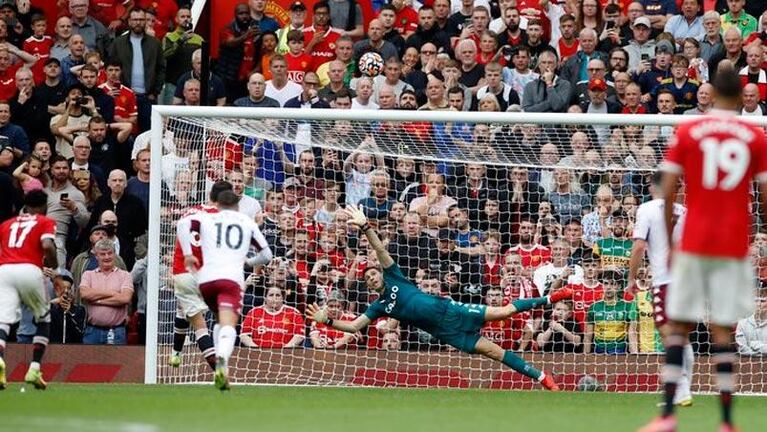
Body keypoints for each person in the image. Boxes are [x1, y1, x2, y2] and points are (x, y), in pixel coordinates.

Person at [307, 205, 572, 391]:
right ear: (369, 286)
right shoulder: (380, 305)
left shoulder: (395, 277)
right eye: (368, 279)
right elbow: (354, 327)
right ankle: (542, 378)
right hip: (445, 333)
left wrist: (366, 227)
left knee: (502, 311)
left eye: (374, 274)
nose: (372, 278)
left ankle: (550, 298)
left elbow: (378, 248)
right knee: (495, 352)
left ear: (381, 274)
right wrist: (327, 321)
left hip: (451, 310)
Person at [639, 69, 767, 432]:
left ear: (711, 95)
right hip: (732, 243)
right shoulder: (755, 137)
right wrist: (761, 229)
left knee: (678, 327)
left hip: (694, 241)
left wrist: (667, 239)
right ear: (741, 96)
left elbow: (667, 189)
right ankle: (726, 422)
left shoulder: (689, 131)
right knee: (723, 331)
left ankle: (666, 417)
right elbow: (765, 196)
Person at [177, 190, 273, 391]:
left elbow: (183, 224)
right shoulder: (246, 222)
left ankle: (218, 363)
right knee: (228, 324)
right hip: (231, 280)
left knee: (218, 319)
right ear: (238, 206)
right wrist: (249, 261)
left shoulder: (206, 218)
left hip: (206, 280)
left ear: (217, 205)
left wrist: (187, 254)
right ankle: (222, 363)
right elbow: (267, 254)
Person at [628, 171, 693, 408]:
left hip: (665, 280)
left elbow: (638, 246)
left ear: (651, 187)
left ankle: (681, 387)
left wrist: (631, 278)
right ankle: (682, 392)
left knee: (668, 334)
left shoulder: (646, 209)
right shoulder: (683, 211)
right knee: (682, 336)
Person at [168, 181, 233, 371]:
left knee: (193, 318)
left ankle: (176, 355)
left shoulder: (190, 211)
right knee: (194, 321)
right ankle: (218, 371)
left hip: (183, 271)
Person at [0, 190, 58, 390]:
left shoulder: (7, 224)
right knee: (43, 317)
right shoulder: (44, 221)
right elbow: (47, 245)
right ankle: (34, 368)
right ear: (44, 206)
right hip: (29, 268)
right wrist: (54, 264)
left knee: (4, 320)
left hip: (4, 269)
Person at [79, 239, 133, 345]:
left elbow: (125, 298)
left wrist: (96, 301)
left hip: (117, 331)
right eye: (102, 254)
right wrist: (113, 293)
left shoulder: (125, 275)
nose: (107, 257)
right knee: (89, 361)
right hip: (92, 331)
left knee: (117, 361)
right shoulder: (88, 274)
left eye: (110, 253)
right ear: (96, 256)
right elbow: (84, 294)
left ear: (114, 254)